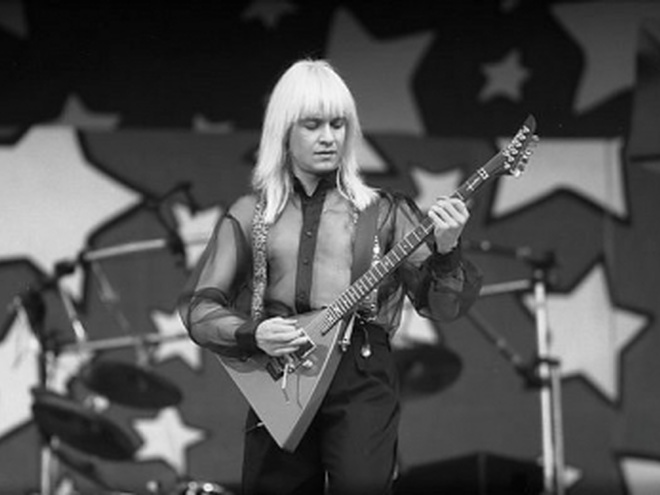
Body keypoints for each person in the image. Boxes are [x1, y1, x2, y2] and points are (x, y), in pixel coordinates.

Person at [178, 59, 482, 495]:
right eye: (313, 125)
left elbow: (442, 306)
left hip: (361, 373)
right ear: (284, 130)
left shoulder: (384, 212)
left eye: (338, 125)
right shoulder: (251, 214)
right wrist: (253, 333)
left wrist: (448, 249)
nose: (329, 137)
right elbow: (199, 308)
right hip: (280, 376)